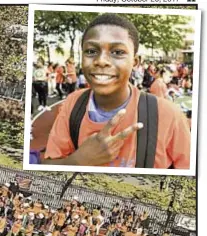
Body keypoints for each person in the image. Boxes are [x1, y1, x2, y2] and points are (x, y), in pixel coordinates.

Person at [42, 13, 190, 169]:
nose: (101, 61)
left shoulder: (169, 115)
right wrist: (79, 160)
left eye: (118, 52)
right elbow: (47, 165)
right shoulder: (73, 103)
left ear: (135, 62)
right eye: (91, 51)